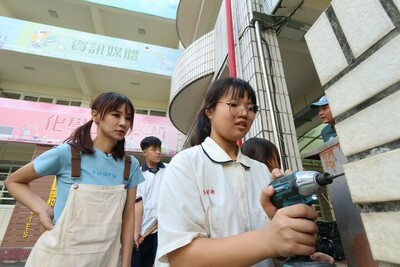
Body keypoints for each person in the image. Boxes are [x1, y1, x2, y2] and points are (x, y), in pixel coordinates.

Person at [155, 77, 318, 267]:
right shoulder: (185, 164)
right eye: (234, 104)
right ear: (210, 110)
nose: (244, 113)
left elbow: (274, 252)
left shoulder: (260, 170)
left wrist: (291, 246)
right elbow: (182, 257)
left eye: (250, 108)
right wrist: (268, 240)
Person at [5, 92, 145, 267]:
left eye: (128, 118)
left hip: (104, 259)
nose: (123, 123)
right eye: (116, 115)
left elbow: (128, 217)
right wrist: (42, 209)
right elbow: (13, 181)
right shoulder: (67, 154)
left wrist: (125, 264)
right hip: (57, 257)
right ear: (95, 115)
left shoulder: (129, 165)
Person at [242, 137, 335, 265]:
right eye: (276, 160)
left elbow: (284, 246)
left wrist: (307, 254)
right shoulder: (269, 191)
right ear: (270, 161)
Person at [132, 136, 167, 267]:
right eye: (154, 149)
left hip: (164, 230)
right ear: (144, 152)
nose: (158, 152)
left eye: (159, 149)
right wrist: (136, 231)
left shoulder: (170, 170)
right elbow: (138, 203)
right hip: (144, 230)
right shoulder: (138, 174)